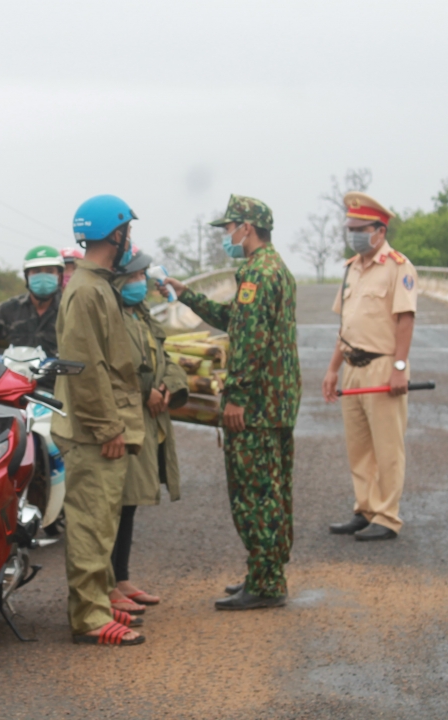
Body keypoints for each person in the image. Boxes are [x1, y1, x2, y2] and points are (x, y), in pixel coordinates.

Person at [163, 194, 301, 611]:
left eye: (230, 228)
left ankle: (266, 582)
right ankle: (265, 572)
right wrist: (187, 294)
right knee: (274, 491)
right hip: (275, 401)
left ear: (248, 228)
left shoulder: (259, 274)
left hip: (256, 404)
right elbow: (236, 320)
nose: (227, 235)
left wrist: (236, 397)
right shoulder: (272, 268)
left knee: (254, 494)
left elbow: (250, 342)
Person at [52, 194, 147, 645]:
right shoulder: (88, 290)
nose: (130, 239)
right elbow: (83, 366)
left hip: (101, 423)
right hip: (95, 430)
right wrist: (108, 427)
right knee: (91, 522)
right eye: (127, 230)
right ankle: (89, 618)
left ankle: (98, 602)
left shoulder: (96, 284)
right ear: (115, 234)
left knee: (103, 520)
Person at [321, 192, 417, 542]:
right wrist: (333, 369)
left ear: (379, 230)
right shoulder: (352, 269)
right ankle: (365, 508)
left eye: (360, 229)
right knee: (359, 445)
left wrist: (400, 367)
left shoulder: (398, 267)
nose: (354, 235)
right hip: (352, 365)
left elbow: (405, 320)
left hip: (382, 366)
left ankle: (387, 516)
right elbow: (345, 326)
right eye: (350, 229)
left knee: (387, 446)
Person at [108, 248, 188, 614]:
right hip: (125, 419)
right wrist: (147, 392)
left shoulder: (139, 314)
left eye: (143, 277)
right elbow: (117, 369)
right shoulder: (109, 316)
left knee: (129, 503)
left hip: (148, 419)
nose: (140, 283)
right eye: (134, 277)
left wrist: (169, 385)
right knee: (112, 504)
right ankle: (106, 583)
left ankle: (120, 577)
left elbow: (164, 358)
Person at [0, 245, 63, 386]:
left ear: (59, 276)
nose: (43, 276)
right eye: (36, 271)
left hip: (57, 389)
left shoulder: (70, 311)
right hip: (13, 386)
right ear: (27, 276)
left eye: (49, 271)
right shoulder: (9, 309)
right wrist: (6, 358)